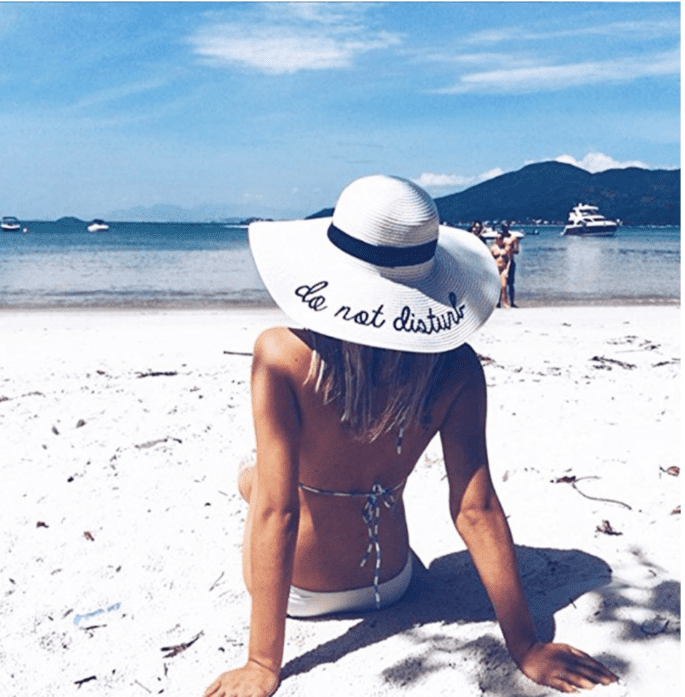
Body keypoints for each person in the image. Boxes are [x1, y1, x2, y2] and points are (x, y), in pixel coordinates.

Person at [202, 175, 618, 697]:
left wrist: (262, 664)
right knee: (262, 477)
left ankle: (248, 477)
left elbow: (277, 515)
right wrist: (527, 646)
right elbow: (476, 508)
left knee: (258, 481)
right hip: (391, 580)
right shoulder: (457, 368)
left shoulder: (281, 355)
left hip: (301, 591)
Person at [500, 223, 521, 307]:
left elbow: (517, 251)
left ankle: (512, 302)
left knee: (511, 283)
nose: (504, 229)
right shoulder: (499, 238)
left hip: (510, 262)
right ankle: (498, 302)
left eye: (506, 227)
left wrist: (510, 249)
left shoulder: (513, 238)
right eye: (503, 227)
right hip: (500, 262)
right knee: (500, 283)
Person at [490, 231, 511, 308]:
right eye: (498, 238)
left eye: (501, 238)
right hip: (496, 269)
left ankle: (505, 302)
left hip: (503, 269)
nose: (499, 239)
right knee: (496, 287)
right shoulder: (493, 248)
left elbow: (508, 260)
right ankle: (497, 303)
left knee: (503, 286)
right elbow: (489, 259)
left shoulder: (505, 248)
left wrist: (507, 270)